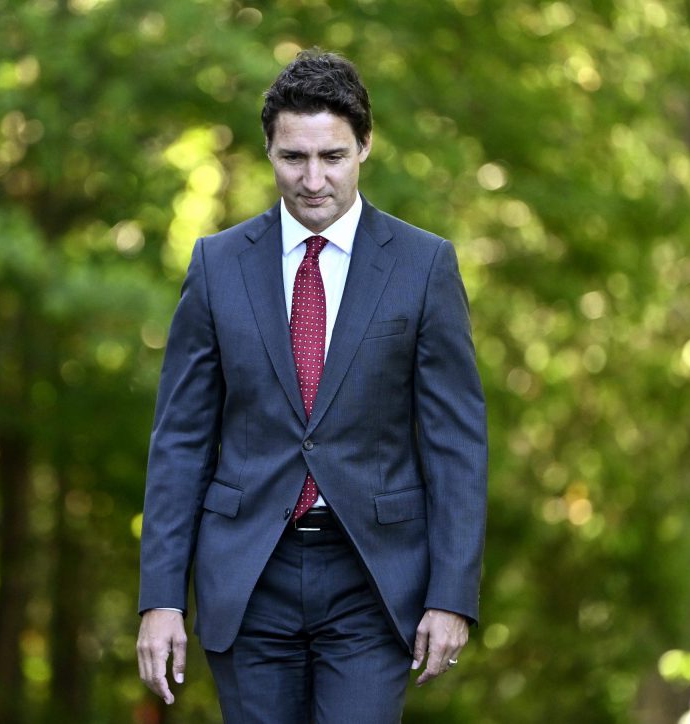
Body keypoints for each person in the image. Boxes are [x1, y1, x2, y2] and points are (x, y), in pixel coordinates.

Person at [136, 49, 488, 723]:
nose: (314, 179)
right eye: (293, 158)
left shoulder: (424, 266)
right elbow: (180, 441)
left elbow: (456, 445)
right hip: (247, 575)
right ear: (268, 151)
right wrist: (161, 599)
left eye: (333, 156)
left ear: (364, 147)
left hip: (373, 578)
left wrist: (451, 594)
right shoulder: (216, 266)